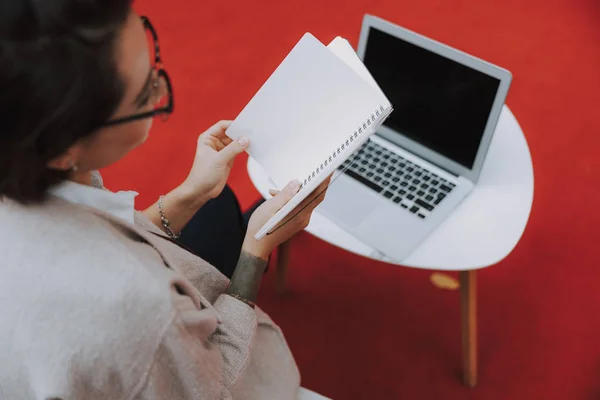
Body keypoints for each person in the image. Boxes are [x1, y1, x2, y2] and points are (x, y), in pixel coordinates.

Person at [0, 1, 330, 399]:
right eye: (145, 95)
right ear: (62, 148)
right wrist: (255, 252)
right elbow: (216, 386)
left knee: (217, 205)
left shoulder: (29, 157)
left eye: (149, 46)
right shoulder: (140, 306)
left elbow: (101, 224)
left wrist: (191, 193)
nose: (159, 84)